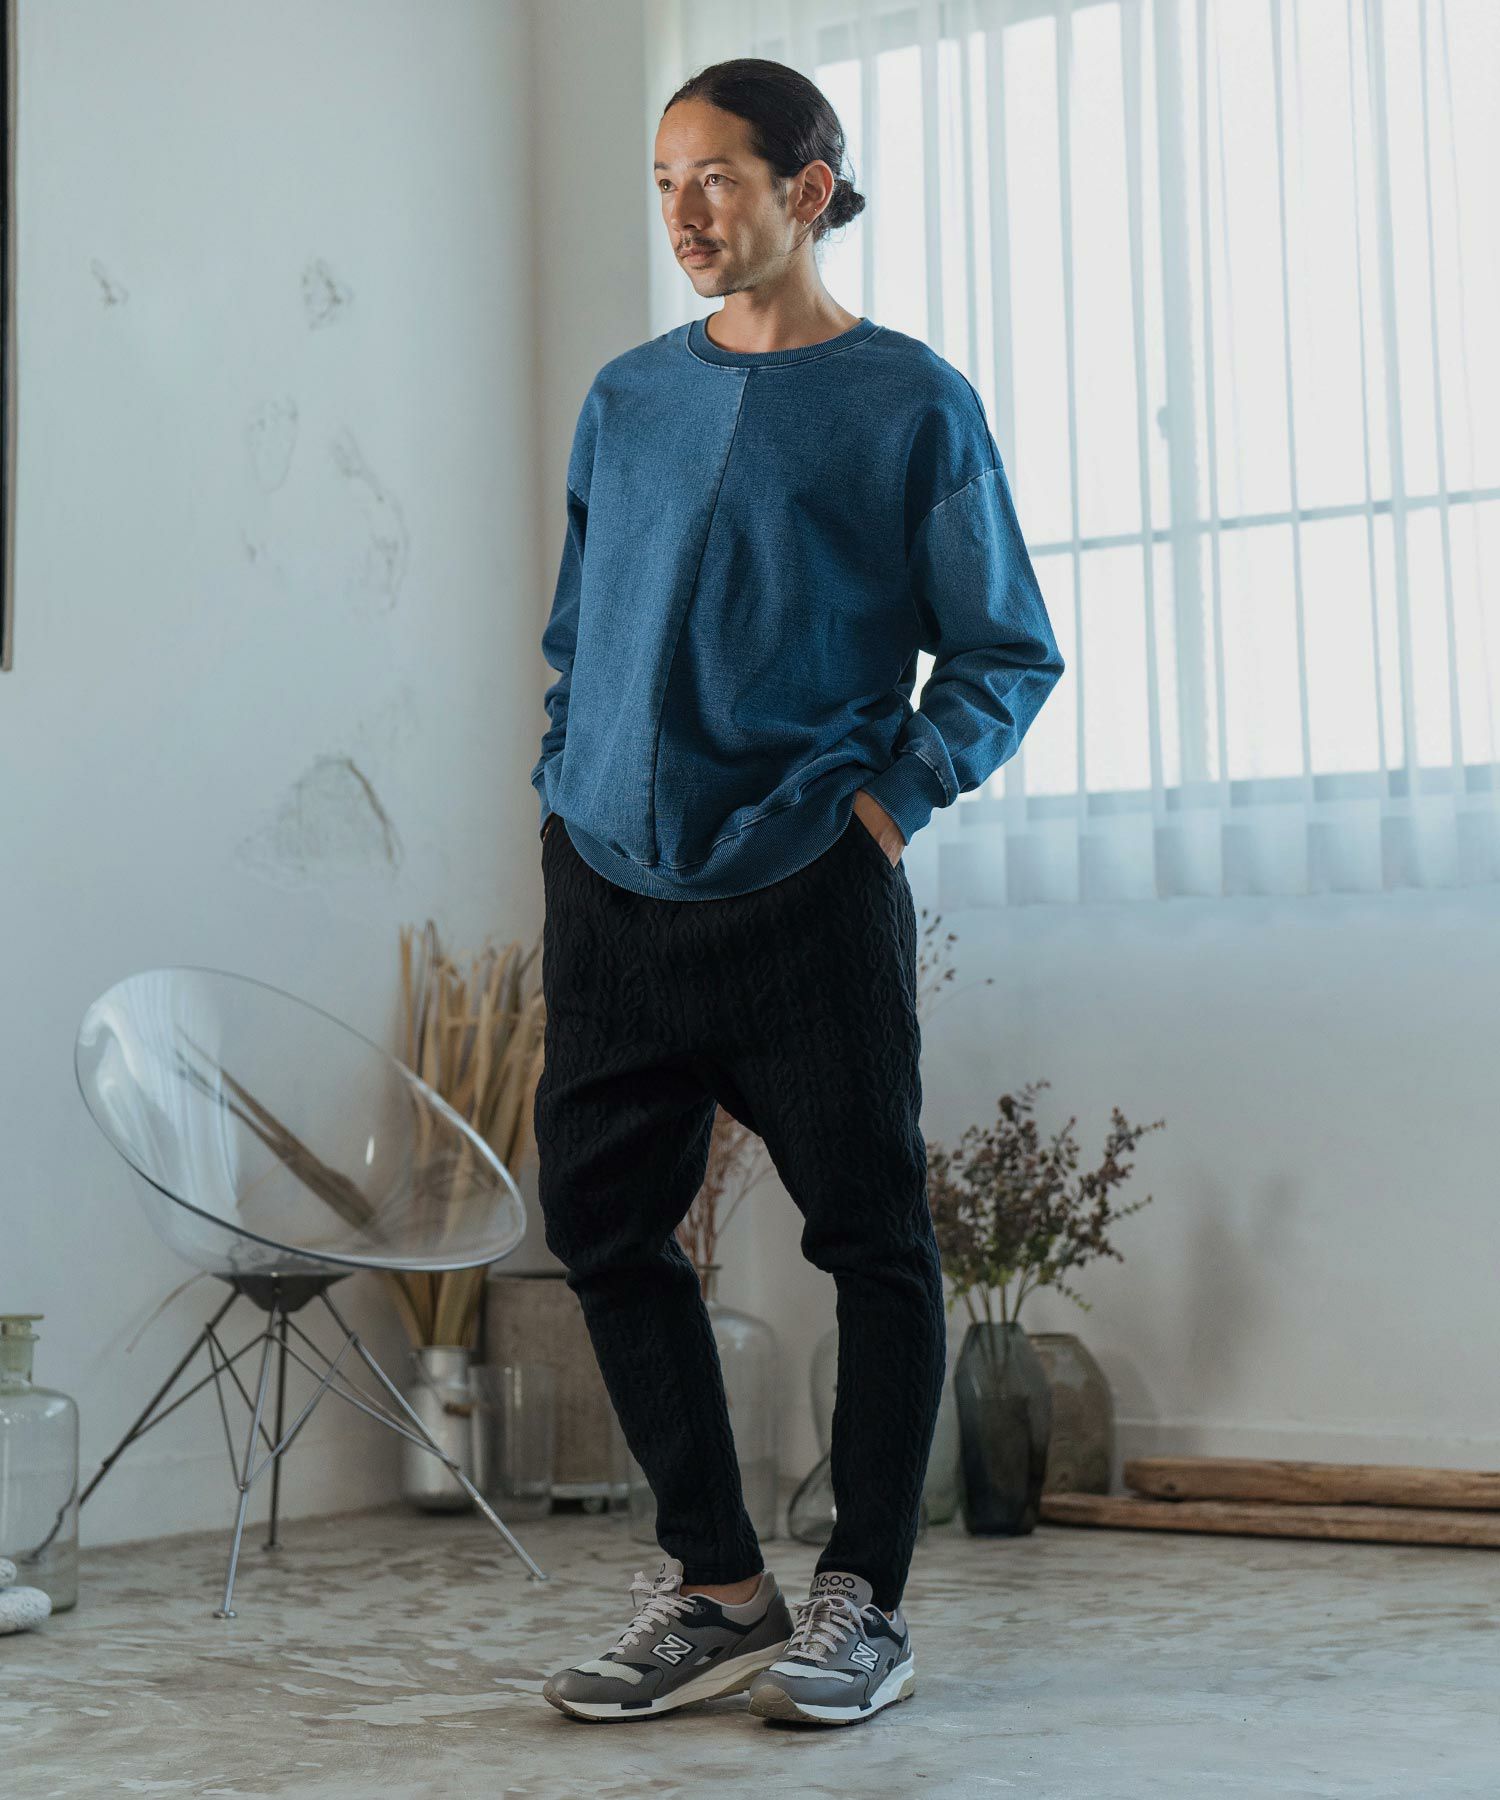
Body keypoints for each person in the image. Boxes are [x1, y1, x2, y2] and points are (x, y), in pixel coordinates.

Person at [532, 57, 1063, 1728]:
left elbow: (1004, 651)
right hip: (609, 888)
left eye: (718, 176)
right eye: (664, 179)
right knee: (602, 1227)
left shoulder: (910, 402)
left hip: (805, 889)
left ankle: (864, 1603)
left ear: (808, 190)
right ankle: (718, 1589)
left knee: (873, 1241)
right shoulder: (627, 398)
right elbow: (577, 639)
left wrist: (886, 808)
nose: (684, 211)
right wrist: (567, 779)